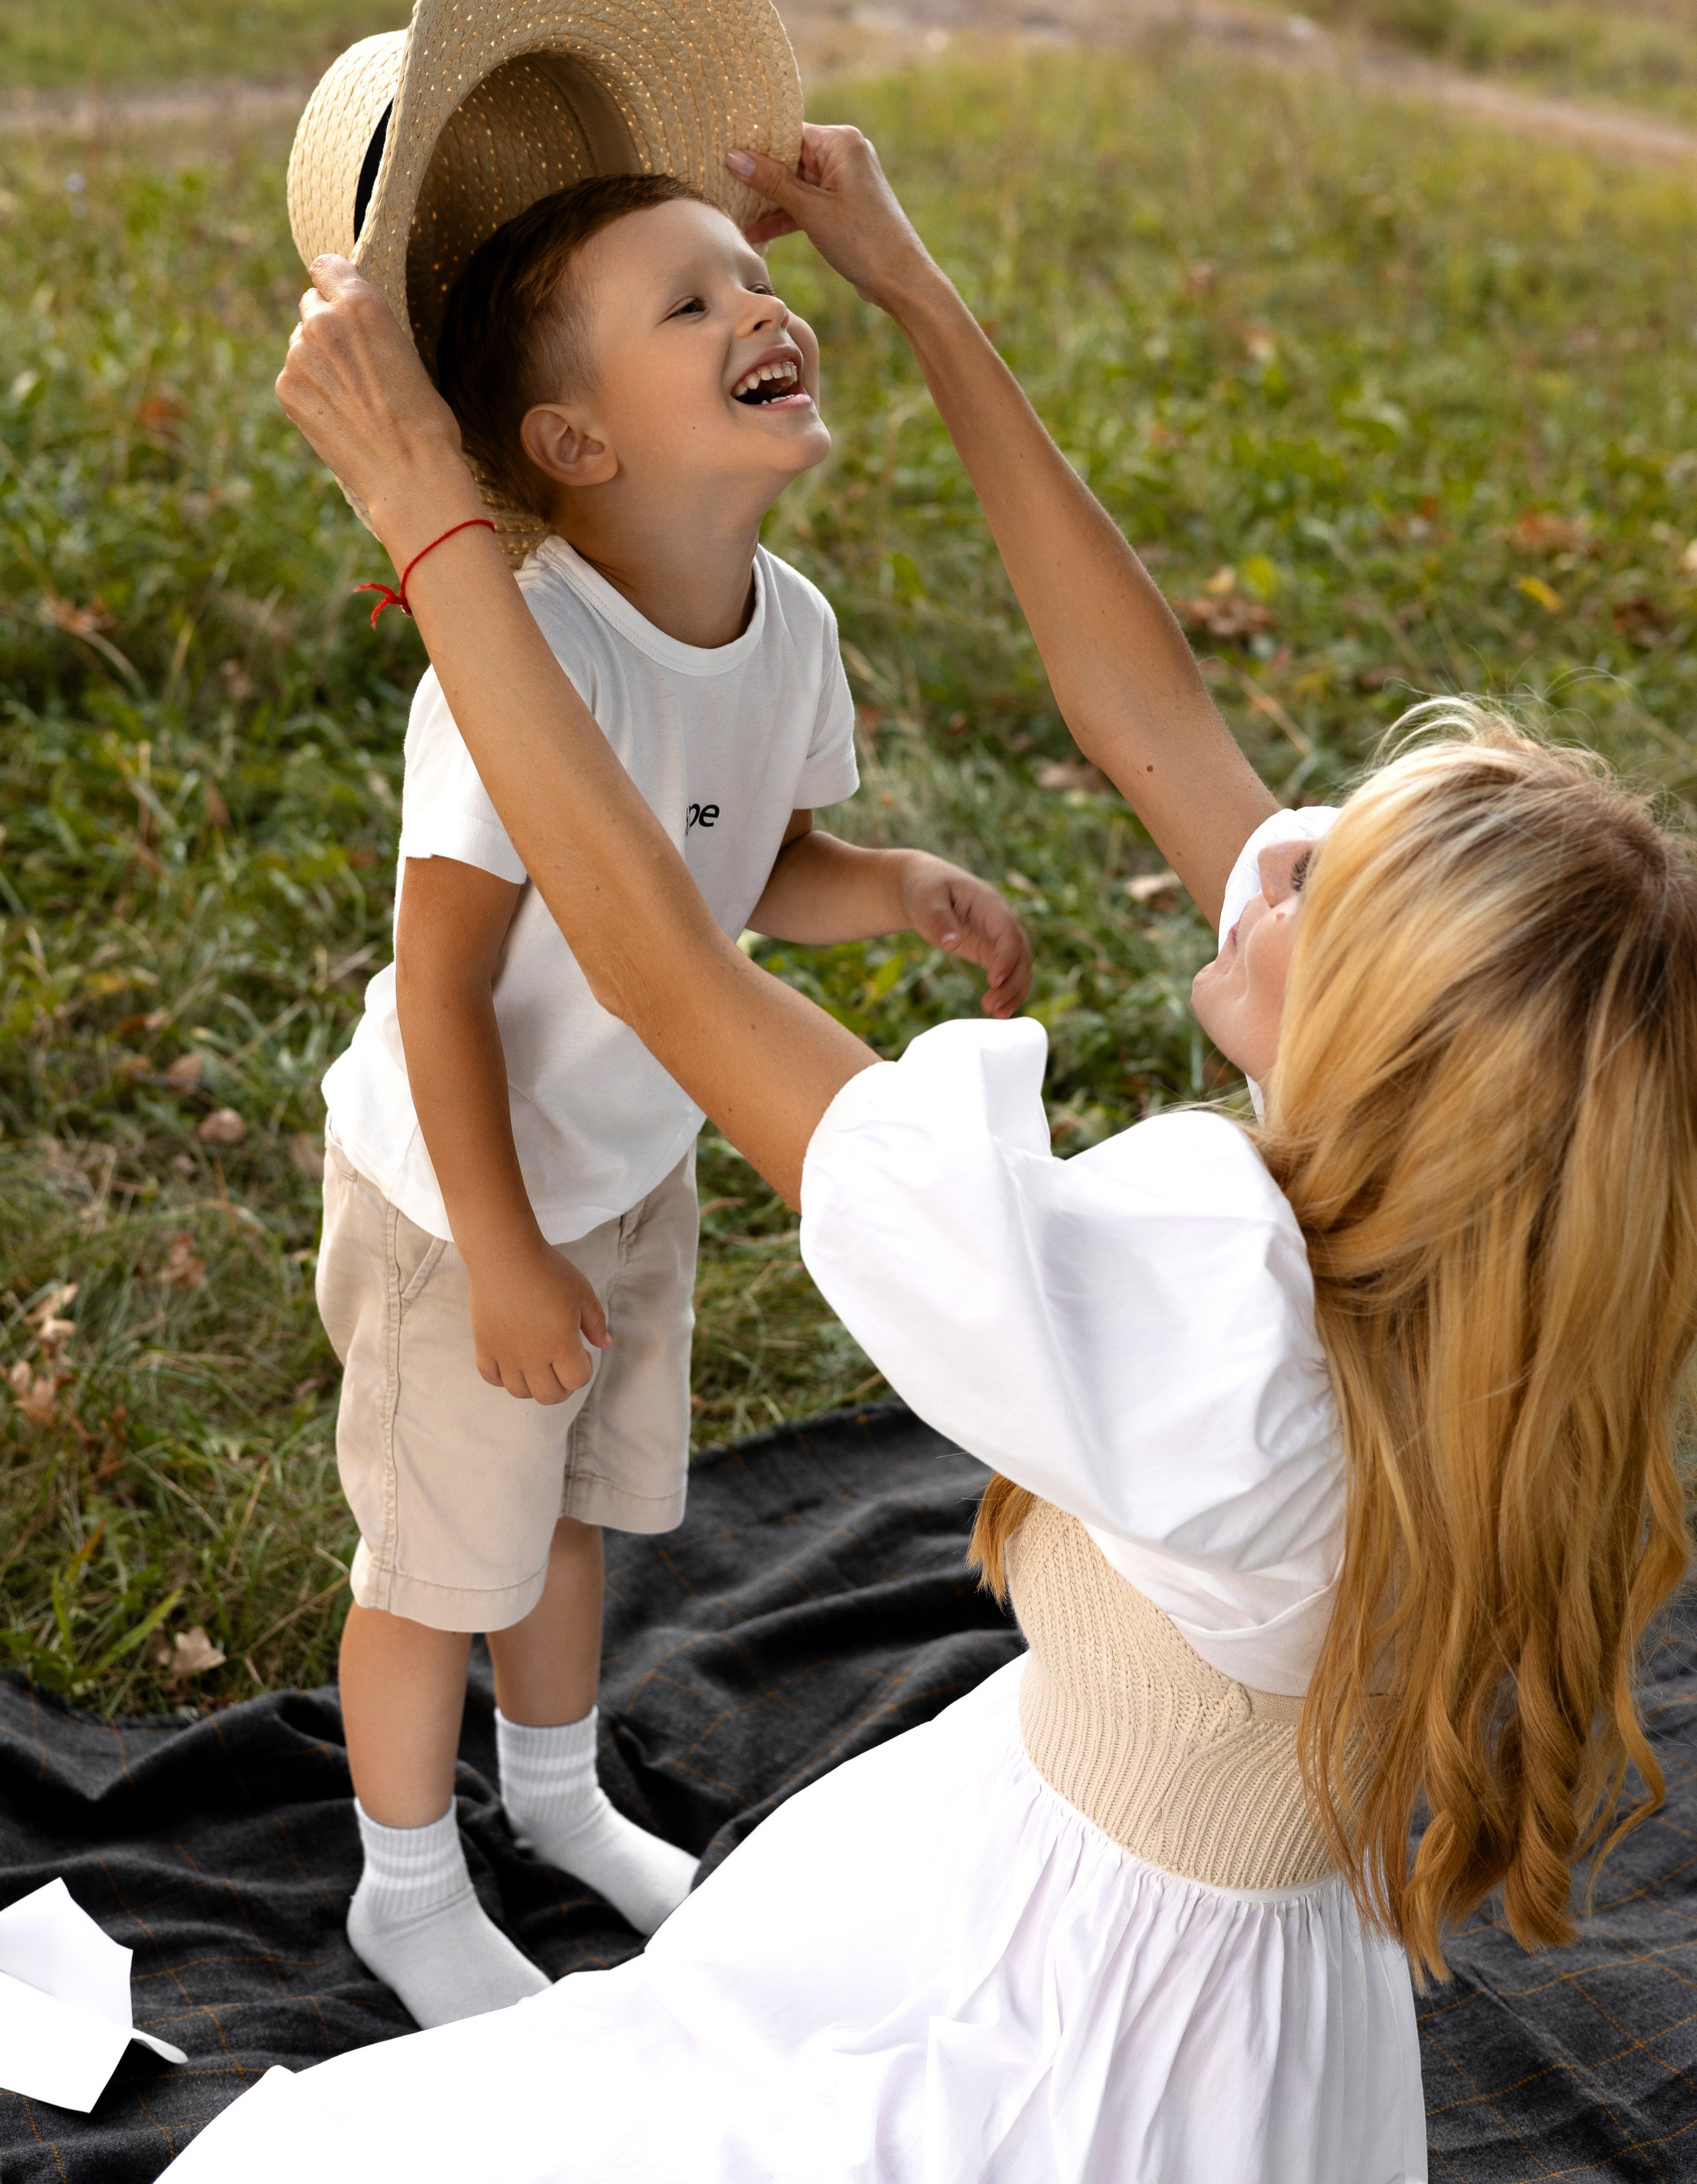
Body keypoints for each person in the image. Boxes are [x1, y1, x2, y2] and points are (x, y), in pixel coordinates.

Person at [172, 127, 1697, 2184]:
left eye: (1334, 883)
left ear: (1396, 1056)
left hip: (1075, 2057)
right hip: (1230, 1979)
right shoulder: (1500, 1269)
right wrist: (902, 278)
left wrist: (431, 524)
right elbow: (1141, 704)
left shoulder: (1208, 1324)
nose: (1278, 847)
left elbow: (668, 969)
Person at [316, 171, 1032, 2028]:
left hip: (624, 1166)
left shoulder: (780, 626)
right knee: (433, 1560)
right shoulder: (524, 651)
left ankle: (553, 1799)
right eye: (687, 307)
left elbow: (742, 866)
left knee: (568, 1513)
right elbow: (444, 982)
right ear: (572, 440)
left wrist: (885, 887)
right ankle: (402, 1887)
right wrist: (491, 1246)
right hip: (457, 1190)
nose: (753, 310)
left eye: (747, 282)